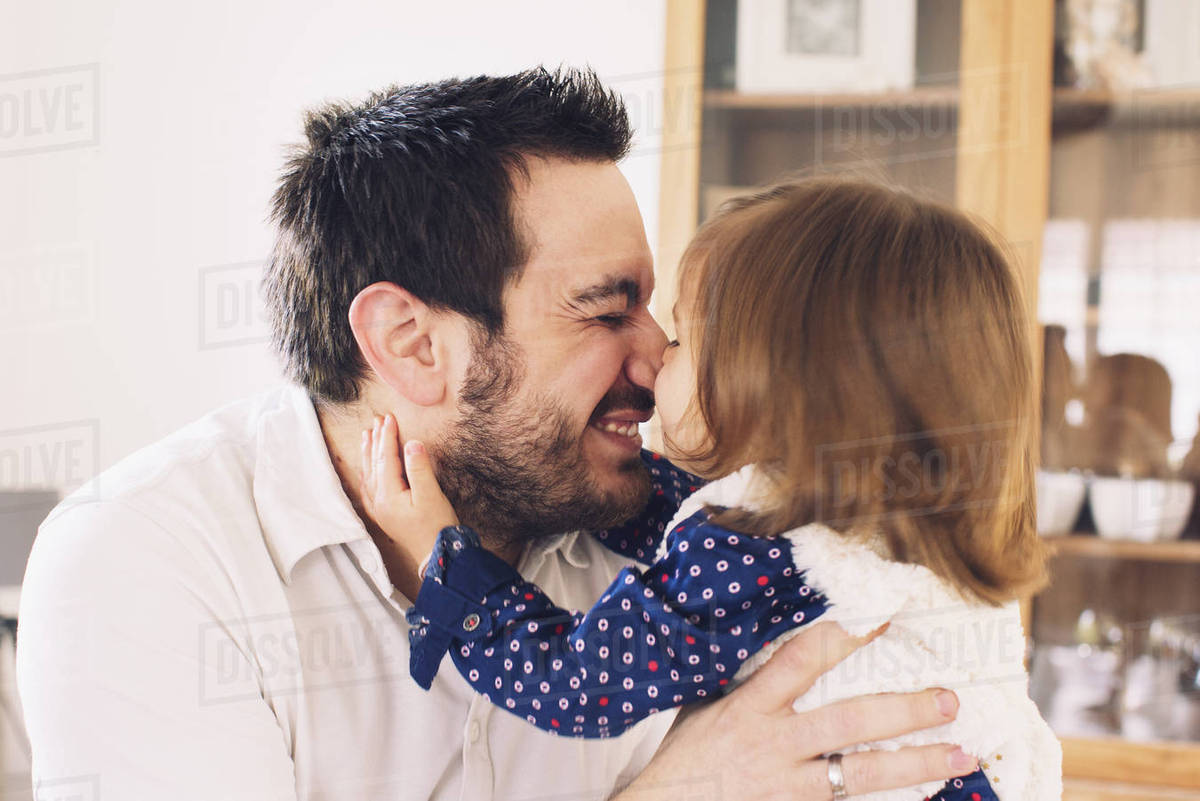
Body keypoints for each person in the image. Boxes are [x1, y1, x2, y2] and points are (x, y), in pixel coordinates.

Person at [17, 69, 979, 801]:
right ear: (412, 343)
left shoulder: (673, 523)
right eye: (608, 312)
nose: (656, 360)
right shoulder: (143, 559)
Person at [361, 178, 1064, 797]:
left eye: (687, 340)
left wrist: (441, 556)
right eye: (608, 315)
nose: (655, 355)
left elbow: (574, 682)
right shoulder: (873, 525)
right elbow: (666, 513)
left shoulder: (749, 545)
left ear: (772, 385)